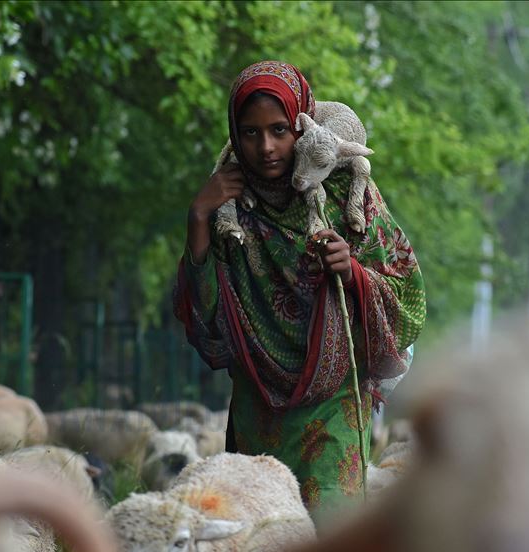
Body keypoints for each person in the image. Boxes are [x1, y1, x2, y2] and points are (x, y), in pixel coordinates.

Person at [174, 60, 425, 523]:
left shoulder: (347, 192)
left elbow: (406, 293)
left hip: (333, 406)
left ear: (303, 126)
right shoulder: (228, 206)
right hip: (258, 408)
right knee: (256, 543)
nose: (266, 147)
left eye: (279, 130)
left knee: (329, 542)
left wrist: (352, 274)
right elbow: (205, 321)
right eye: (249, 133)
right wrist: (198, 218)